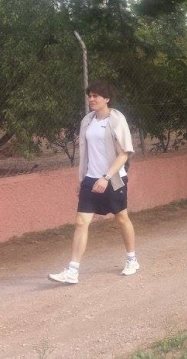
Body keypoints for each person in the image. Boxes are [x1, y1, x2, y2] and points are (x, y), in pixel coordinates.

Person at [49, 80, 137, 284]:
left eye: (96, 96)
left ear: (107, 99)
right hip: (90, 178)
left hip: (113, 179)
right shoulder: (87, 121)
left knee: (121, 218)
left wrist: (106, 178)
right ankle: (72, 271)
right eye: (90, 96)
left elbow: (124, 154)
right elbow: (87, 153)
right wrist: (83, 179)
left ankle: (132, 259)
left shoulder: (116, 120)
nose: (91, 99)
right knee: (81, 222)